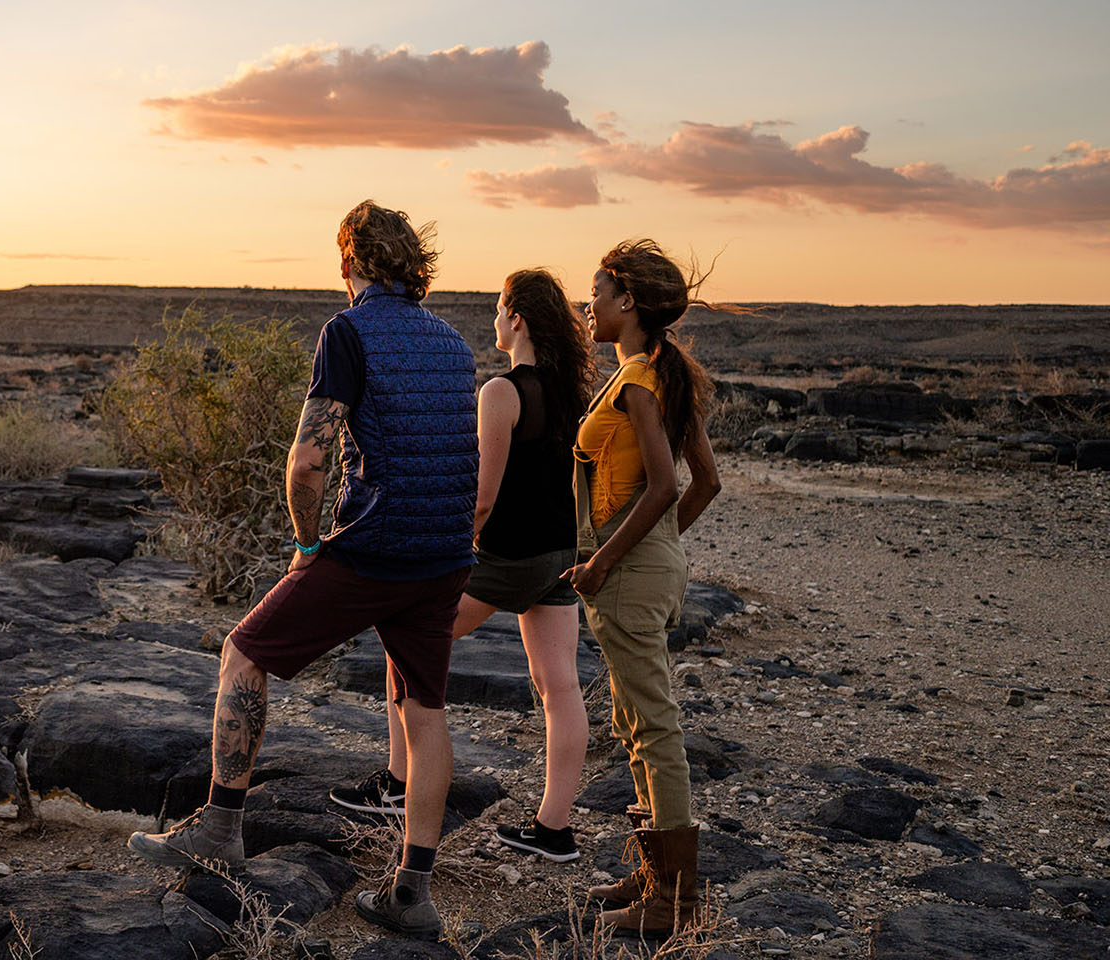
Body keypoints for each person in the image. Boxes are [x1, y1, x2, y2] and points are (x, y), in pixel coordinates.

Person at [127, 200, 480, 941]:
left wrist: (307, 541)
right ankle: (411, 891)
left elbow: (309, 457)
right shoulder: (453, 340)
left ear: (350, 262)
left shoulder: (346, 331)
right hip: (445, 555)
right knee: (426, 711)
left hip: (372, 547)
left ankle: (220, 829)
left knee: (243, 655)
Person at [329, 269, 595, 865]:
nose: (495, 320)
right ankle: (554, 828)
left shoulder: (501, 393)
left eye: (501, 309)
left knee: (406, 639)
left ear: (517, 319)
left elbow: (481, 497)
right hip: (558, 556)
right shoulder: (574, 393)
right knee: (560, 687)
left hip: (502, 558)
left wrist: (450, 547)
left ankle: (399, 785)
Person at [563, 239, 725, 935]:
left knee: (652, 725)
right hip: (650, 565)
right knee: (634, 722)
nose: (587, 305)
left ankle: (675, 903)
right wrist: (658, 548)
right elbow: (705, 483)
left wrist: (606, 563)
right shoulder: (664, 371)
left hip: (627, 573)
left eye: (595, 293)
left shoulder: (638, 381)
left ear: (627, 302)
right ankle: (656, 872)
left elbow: (665, 485)